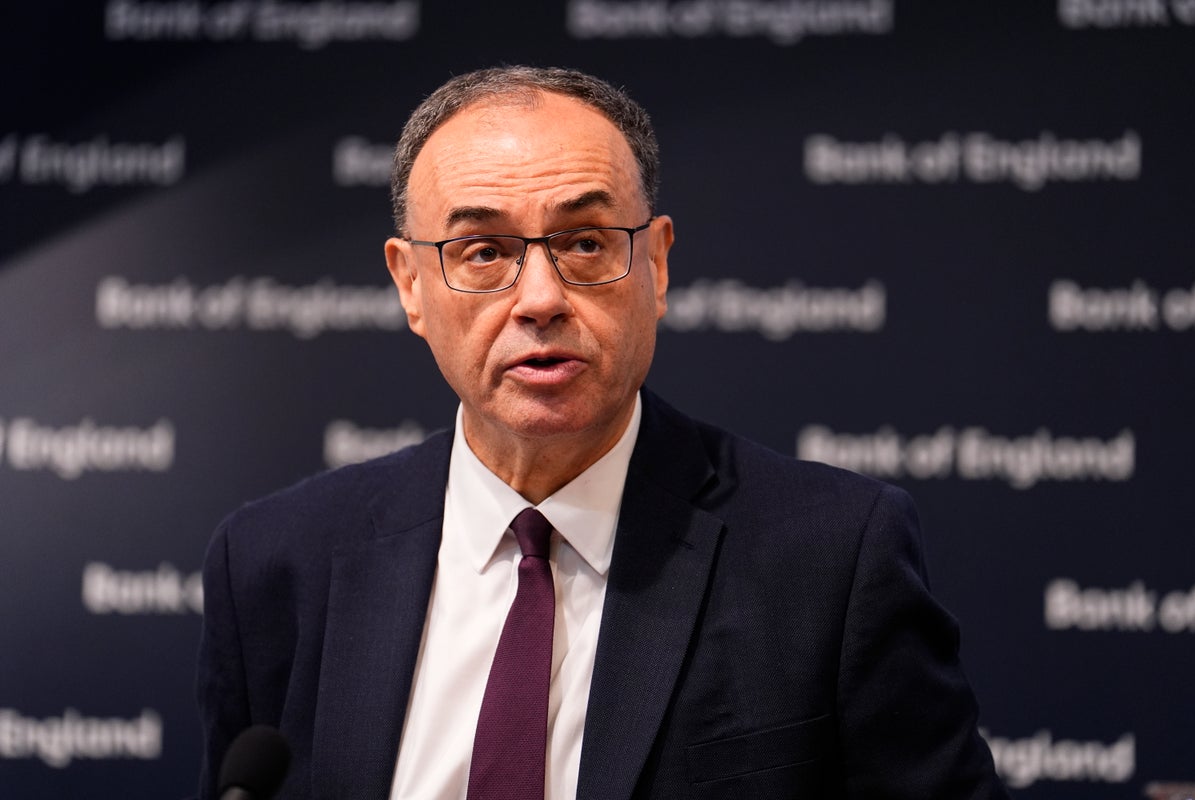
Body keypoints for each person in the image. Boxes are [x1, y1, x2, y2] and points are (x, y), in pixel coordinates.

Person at [196, 65, 1009, 799]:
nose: (540, 299)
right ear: (411, 284)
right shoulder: (275, 566)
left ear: (656, 264)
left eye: (585, 243)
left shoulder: (831, 557)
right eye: (483, 251)